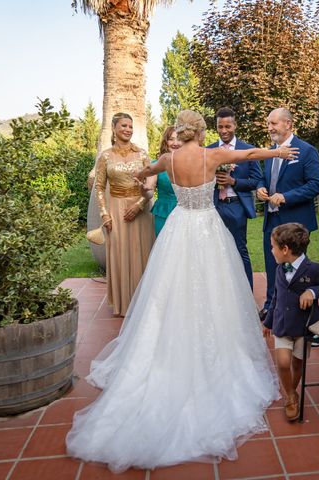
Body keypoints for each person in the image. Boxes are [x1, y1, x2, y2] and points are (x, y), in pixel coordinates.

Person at [66, 110, 299, 473]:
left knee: (167, 292)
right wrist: (278, 154)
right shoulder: (211, 155)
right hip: (206, 228)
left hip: (178, 229)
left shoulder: (168, 160)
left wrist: (123, 177)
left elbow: (142, 173)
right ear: (202, 131)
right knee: (215, 292)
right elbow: (249, 155)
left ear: (180, 132)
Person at [262, 223, 319, 421]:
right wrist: (268, 322)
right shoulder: (279, 269)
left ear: (285, 250)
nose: (271, 250)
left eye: (273, 247)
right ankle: (291, 396)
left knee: (297, 363)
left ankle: (292, 390)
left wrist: (312, 292)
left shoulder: (313, 269)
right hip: (282, 324)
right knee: (283, 362)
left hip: (303, 326)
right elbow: (276, 296)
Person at [256, 108, 319, 320]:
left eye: (274, 123)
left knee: (299, 274)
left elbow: (315, 185)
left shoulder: (306, 151)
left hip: (295, 225)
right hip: (272, 220)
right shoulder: (269, 153)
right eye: (268, 124)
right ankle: (271, 308)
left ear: (288, 124)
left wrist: (286, 196)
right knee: (272, 267)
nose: (270, 128)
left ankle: (307, 317)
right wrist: (260, 188)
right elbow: (264, 179)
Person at [94, 112, 155, 317]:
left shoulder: (142, 154)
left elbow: (150, 184)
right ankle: (123, 304)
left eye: (130, 126)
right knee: (120, 253)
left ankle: (142, 303)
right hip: (116, 209)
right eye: (123, 126)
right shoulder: (105, 156)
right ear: (114, 128)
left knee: (141, 253)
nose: (128, 129)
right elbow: (100, 187)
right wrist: (104, 213)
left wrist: (139, 204)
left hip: (141, 209)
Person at [207, 107, 262, 289]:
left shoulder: (248, 150)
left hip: (236, 206)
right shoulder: (208, 151)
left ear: (235, 125)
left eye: (227, 126)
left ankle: (246, 294)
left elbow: (256, 180)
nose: (223, 130)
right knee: (214, 253)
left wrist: (234, 181)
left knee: (240, 251)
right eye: (220, 126)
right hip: (213, 207)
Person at [141, 126, 179, 237]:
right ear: (165, 142)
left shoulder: (191, 163)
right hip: (164, 213)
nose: (175, 143)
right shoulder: (156, 164)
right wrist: (144, 191)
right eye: (171, 139)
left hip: (186, 213)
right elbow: (149, 192)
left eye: (179, 139)